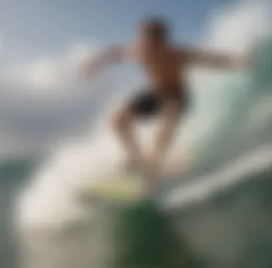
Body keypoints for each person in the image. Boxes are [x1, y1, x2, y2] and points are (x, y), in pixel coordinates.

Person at [82, 16, 251, 186]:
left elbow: (208, 59)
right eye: (145, 39)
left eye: (155, 41)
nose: (149, 45)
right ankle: (135, 158)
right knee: (118, 121)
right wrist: (95, 63)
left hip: (175, 95)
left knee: (166, 124)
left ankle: (153, 170)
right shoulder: (138, 51)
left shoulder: (176, 54)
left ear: (163, 40)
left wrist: (236, 61)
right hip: (154, 92)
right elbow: (115, 52)